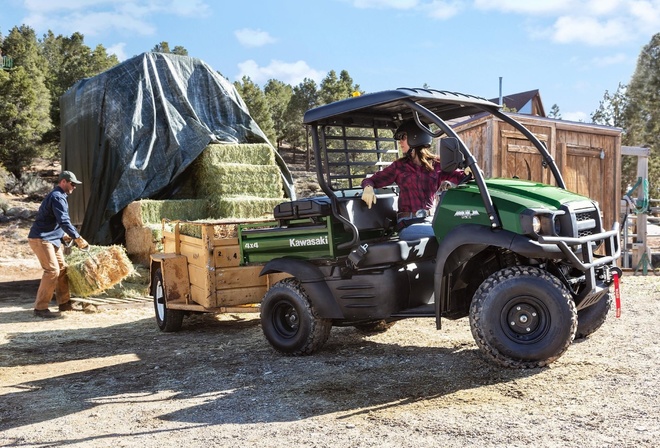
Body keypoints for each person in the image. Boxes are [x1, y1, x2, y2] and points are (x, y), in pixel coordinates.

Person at [360, 120, 466, 240]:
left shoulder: (436, 164)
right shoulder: (399, 166)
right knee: (444, 236)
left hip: (431, 220)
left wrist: (469, 172)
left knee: (460, 233)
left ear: (416, 137)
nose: (400, 142)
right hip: (408, 223)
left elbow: (461, 177)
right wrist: (368, 187)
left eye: (403, 137)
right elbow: (372, 180)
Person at [28, 171, 89, 318]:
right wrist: (78, 238)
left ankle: (64, 303)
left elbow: (55, 221)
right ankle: (40, 308)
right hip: (41, 239)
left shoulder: (60, 196)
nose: (74, 187)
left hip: (51, 239)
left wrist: (63, 236)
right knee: (52, 271)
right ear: (63, 182)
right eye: (72, 183)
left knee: (62, 269)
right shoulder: (57, 197)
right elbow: (64, 221)